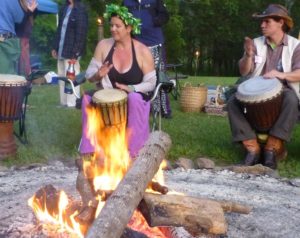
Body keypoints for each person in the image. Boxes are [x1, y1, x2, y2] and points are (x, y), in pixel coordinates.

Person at [227, 4, 300, 169]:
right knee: (233, 101)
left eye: (267, 22)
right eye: (262, 22)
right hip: (254, 93)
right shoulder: (255, 43)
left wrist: (281, 75)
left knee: (291, 99)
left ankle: (271, 149)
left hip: (284, 90)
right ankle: (251, 148)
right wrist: (248, 55)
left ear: (281, 22)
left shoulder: (296, 46)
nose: (262, 25)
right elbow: (244, 71)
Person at [79, 4, 157, 158]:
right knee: (87, 98)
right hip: (108, 96)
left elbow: (151, 82)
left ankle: (134, 151)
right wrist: (98, 75)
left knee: (133, 99)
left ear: (129, 28)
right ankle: (90, 149)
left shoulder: (142, 51)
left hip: (135, 96)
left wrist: (132, 88)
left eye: (118, 26)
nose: (113, 29)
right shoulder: (103, 46)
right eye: (111, 25)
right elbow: (89, 75)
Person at [122, 0, 172, 118]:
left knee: (159, 76)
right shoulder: (126, 2)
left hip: (155, 43)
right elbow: (120, 17)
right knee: (138, 77)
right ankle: (142, 106)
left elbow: (165, 15)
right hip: (136, 45)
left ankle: (164, 110)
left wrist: (153, 22)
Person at [52, 0, 88, 108]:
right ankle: (63, 102)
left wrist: (76, 53)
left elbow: (81, 34)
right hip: (62, 49)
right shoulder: (64, 8)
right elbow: (59, 29)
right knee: (62, 76)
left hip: (72, 51)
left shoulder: (80, 10)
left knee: (72, 78)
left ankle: (72, 103)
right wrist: (55, 46)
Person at [0, 0, 37, 74]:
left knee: (6, 78)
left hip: (7, 43)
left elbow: (21, 28)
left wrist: (29, 13)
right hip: (9, 42)